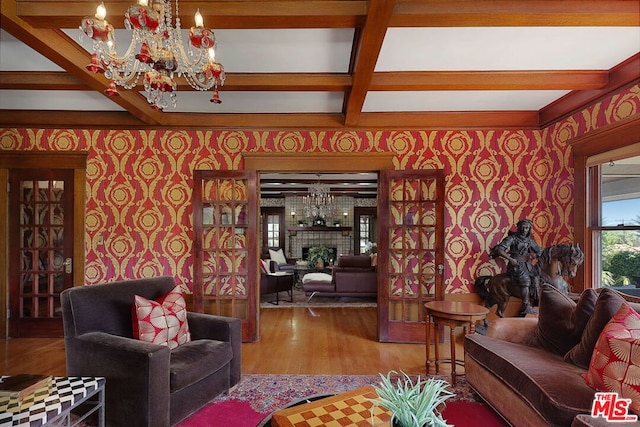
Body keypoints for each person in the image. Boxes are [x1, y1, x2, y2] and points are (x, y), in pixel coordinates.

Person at [491, 218, 543, 315]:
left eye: (527, 228)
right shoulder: (512, 238)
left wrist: (535, 255)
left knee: (537, 277)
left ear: (529, 229)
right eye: (523, 227)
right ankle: (525, 305)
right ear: (518, 228)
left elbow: (539, 250)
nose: (524, 230)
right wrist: (510, 259)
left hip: (527, 264)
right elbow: (499, 249)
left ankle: (536, 302)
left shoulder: (529, 241)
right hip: (515, 265)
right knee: (525, 280)